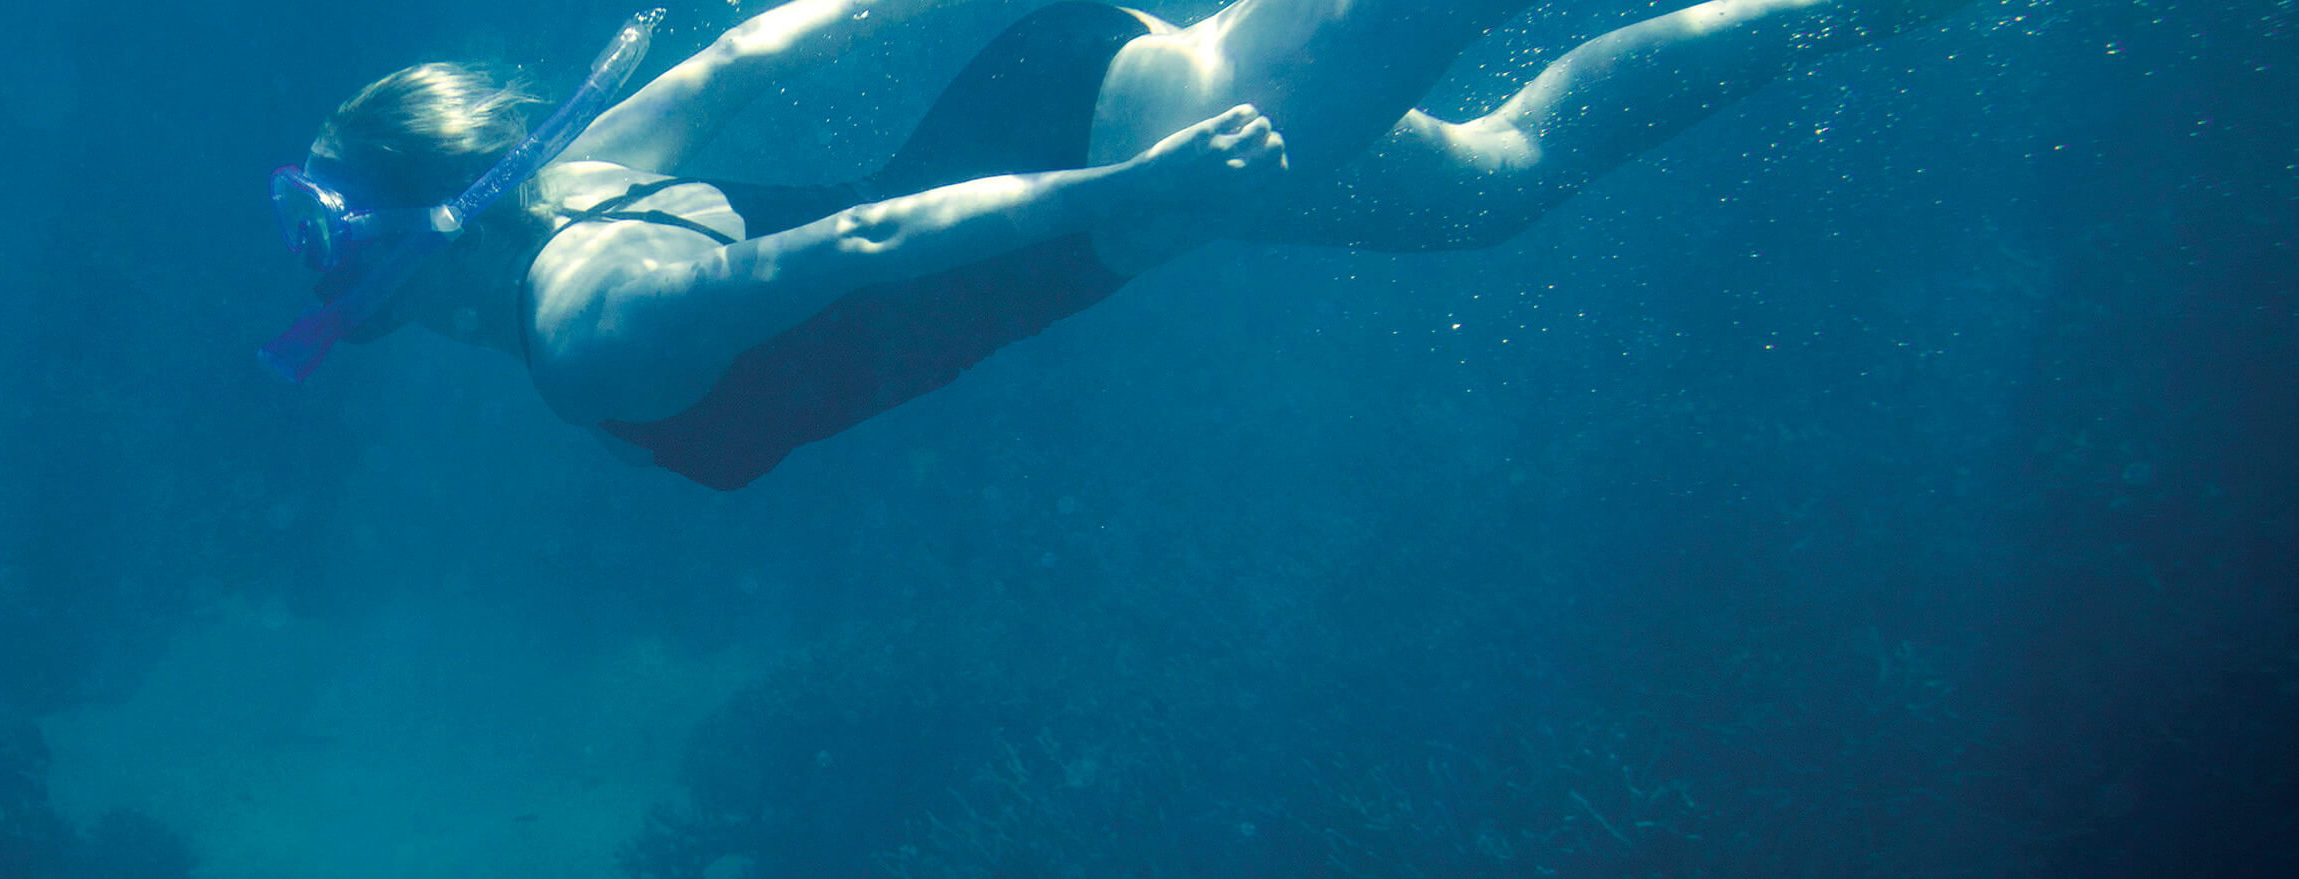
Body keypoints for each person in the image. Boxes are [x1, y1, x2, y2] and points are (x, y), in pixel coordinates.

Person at [265, 0, 1965, 489]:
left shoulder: (591, 329)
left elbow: (865, 246)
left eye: (337, 241)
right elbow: (760, 50)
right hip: (1075, 117)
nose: (331, 279)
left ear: (432, 220)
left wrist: (1128, 194)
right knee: (1499, 180)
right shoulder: (578, 181)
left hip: (1102, 165)